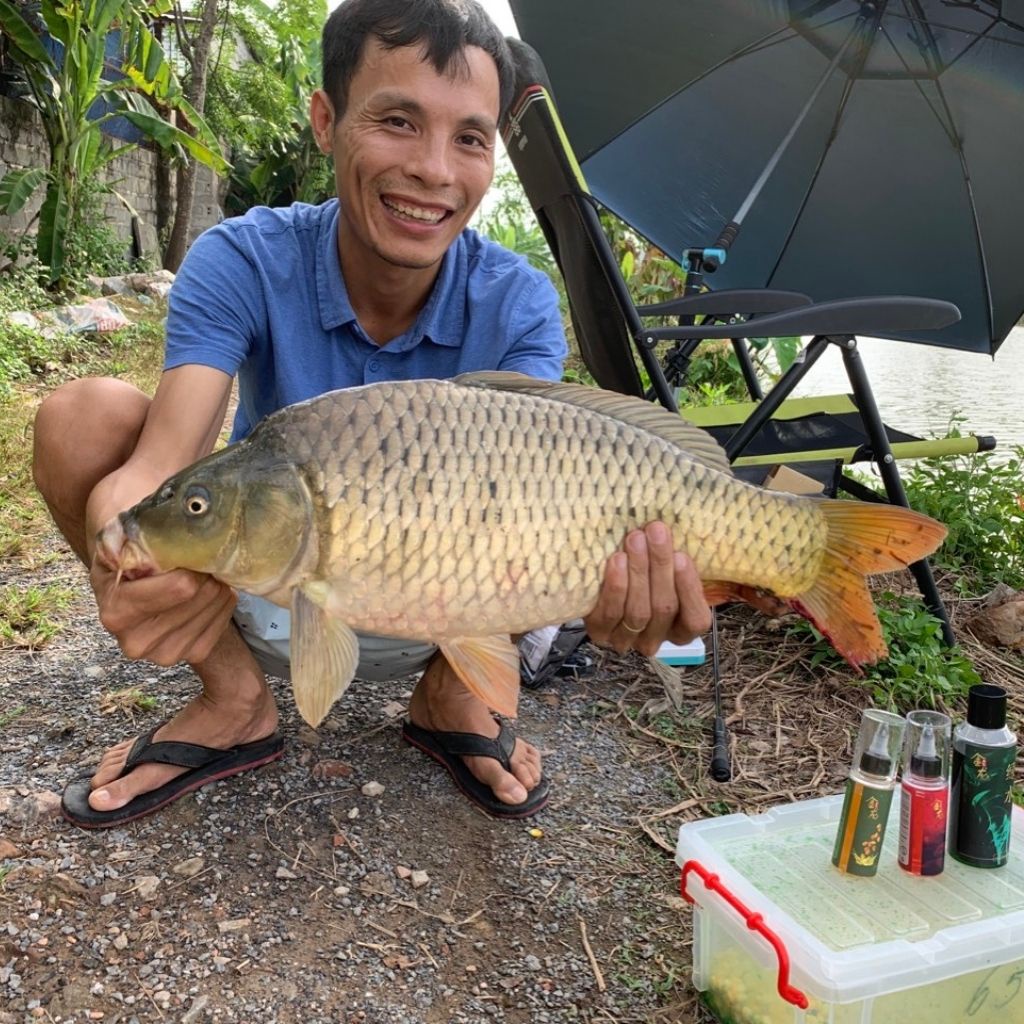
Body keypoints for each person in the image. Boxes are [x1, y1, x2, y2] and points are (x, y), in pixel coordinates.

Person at [32, 0, 711, 828]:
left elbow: (550, 503)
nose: (434, 169)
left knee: (560, 500)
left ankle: (452, 700)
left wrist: (636, 587)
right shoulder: (243, 257)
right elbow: (153, 468)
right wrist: (124, 548)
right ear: (326, 121)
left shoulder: (518, 300)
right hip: (277, 580)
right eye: (397, 121)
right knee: (80, 414)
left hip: (465, 594)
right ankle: (236, 700)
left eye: (469, 138)